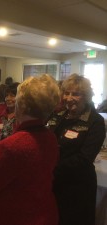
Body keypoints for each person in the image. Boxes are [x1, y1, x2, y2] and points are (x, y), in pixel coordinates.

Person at [0, 74, 60, 225]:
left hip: (16, 216)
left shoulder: (11, 145)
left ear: (21, 105)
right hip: (45, 213)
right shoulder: (51, 137)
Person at [47, 73, 106, 225]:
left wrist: (51, 168)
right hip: (54, 183)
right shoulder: (58, 115)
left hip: (77, 187)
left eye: (76, 94)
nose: (69, 98)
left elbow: (84, 158)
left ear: (86, 96)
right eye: (66, 93)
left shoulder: (95, 121)